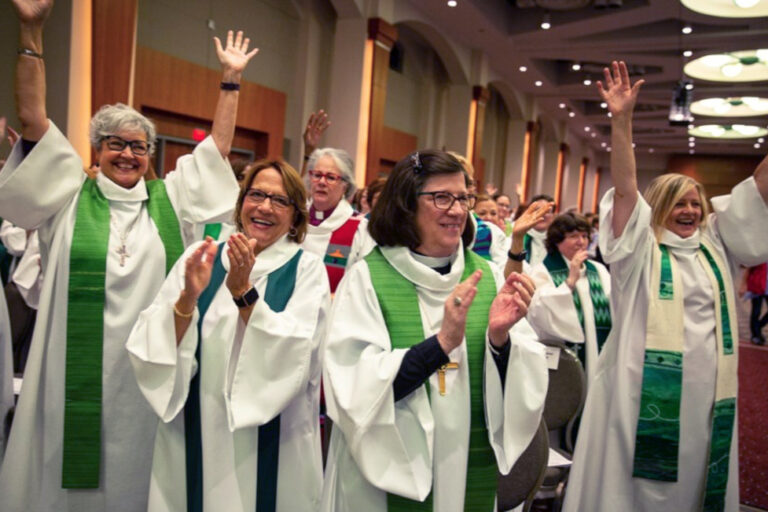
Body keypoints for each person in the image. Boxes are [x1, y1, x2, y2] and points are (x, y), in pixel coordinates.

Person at [0, 2, 256, 510]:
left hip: (147, 371)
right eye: (116, 144)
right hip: (71, 372)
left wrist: (230, 81)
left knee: (141, 476)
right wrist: (31, 33)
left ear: (149, 155)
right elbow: (32, 119)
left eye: (139, 147)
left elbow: (217, 151)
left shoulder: (170, 201)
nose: (128, 155)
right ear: (96, 149)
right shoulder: (67, 194)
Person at [563, 61, 768, 512]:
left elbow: (758, 190)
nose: (690, 210)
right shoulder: (639, 251)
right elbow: (625, 189)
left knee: (696, 478)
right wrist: (621, 121)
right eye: (678, 203)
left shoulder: (715, 244)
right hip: (641, 394)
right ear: (657, 209)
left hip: (706, 395)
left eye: (695, 202)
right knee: (636, 486)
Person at [320, 150, 548, 512]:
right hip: (386, 476)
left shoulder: (488, 277)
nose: (457, 211)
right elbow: (352, 385)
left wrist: (499, 341)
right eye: (442, 197)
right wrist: (441, 346)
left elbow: (528, 379)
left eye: (463, 198)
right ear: (406, 203)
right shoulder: (367, 279)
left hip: (467, 464)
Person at [127, 159, 329, 512]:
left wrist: (242, 293)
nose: (264, 207)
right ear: (241, 202)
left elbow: (297, 354)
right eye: (256, 195)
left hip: (272, 439)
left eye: (280, 200)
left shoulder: (306, 270)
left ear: (296, 216)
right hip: (196, 427)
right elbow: (153, 345)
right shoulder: (201, 258)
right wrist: (188, 297)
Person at [526, 212, 612, 387]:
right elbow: (539, 312)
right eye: (573, 236)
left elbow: (614, 307)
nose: (581, 242)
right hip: (561, 360)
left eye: (584, 236)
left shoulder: (598, 270)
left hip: (598, 354)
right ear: (557, 241)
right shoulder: (542, 272)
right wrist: (569, 282)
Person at [302, 147, 375, 293]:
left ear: (345, 186)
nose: (322, 182)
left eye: (330, 177)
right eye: (317, 175)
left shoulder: (359, 228)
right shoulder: (293, 220)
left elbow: (365, 283)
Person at [520, 193, 555, 266]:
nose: (542, 215)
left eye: (547, 211)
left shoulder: (558, 242)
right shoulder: (518, 237)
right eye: (537, 210)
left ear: (553, 215)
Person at [741, 262, 768, 345]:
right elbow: (748, 269)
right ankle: (755, 335)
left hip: (766, 287)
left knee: (756, 312)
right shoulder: (760, 257)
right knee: (756, 311)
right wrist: (743, 285)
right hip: (758, 286)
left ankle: (758, 326)